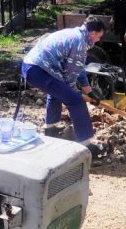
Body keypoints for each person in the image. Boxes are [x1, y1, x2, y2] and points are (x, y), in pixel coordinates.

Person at [21, 16, 107, 157]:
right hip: (39, 70)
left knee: (57, 92)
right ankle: (86, 145)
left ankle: (51, 130)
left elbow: (78, 69)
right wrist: (75, 94)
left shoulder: (75, 34)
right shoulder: (79, 43)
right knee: (76, 100)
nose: (98, 40)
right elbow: (70, 77)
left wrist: (89, 92)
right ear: (92, 33)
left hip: (31, 66)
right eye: (99, 36)